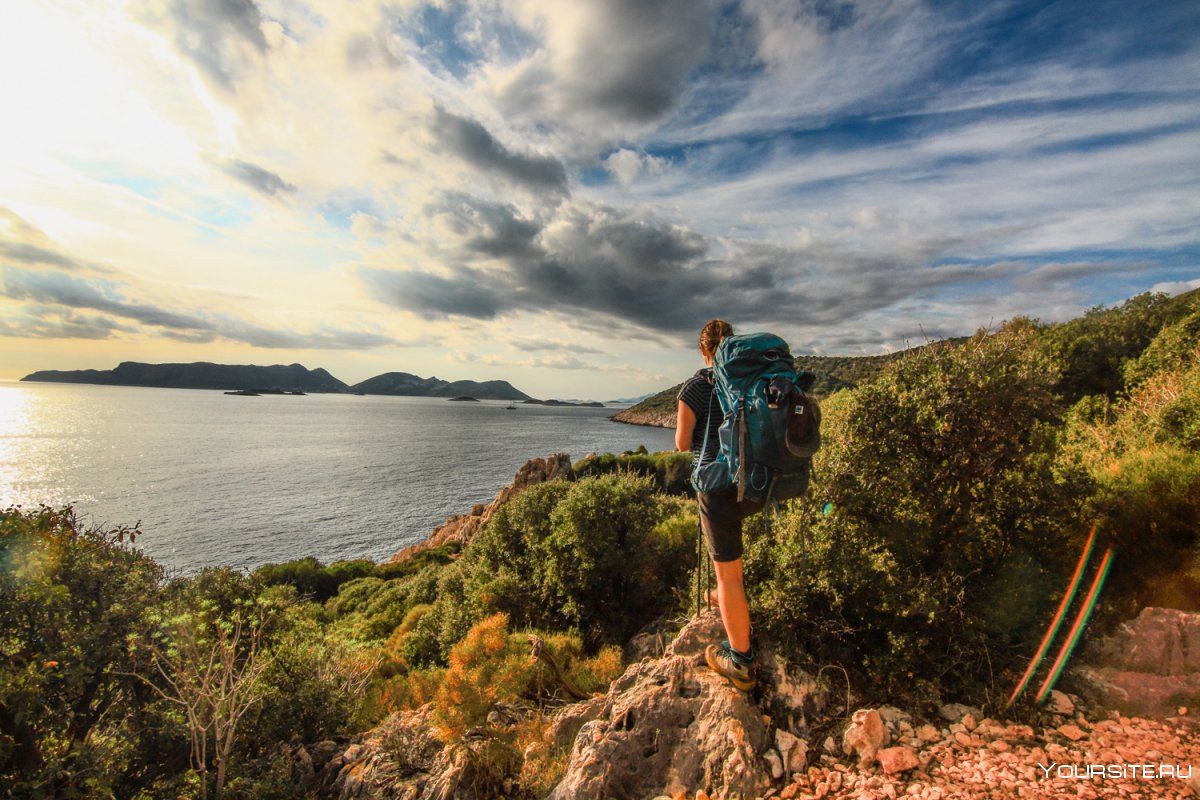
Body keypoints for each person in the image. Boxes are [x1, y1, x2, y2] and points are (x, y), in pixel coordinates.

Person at [675, 318, 764, 691]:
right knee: (733, 570)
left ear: (703, 351)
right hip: (756, 485)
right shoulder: (751, 382)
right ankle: (730, 602)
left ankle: (740, 660)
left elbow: (682, 443)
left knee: (727, 574)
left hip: (718, 487)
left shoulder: (695, 387)